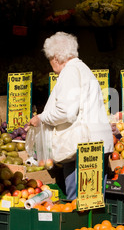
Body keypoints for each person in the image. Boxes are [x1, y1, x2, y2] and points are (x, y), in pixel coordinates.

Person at [28, 32, 114, 200]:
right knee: (93, 201)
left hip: (80, 146)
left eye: (50, 58)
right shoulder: (82, 68)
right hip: (94, 142)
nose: (50, 62)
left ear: (57, 57)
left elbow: (65, 112)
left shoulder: (70, 72)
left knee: (78, 203)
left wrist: (41, 118)